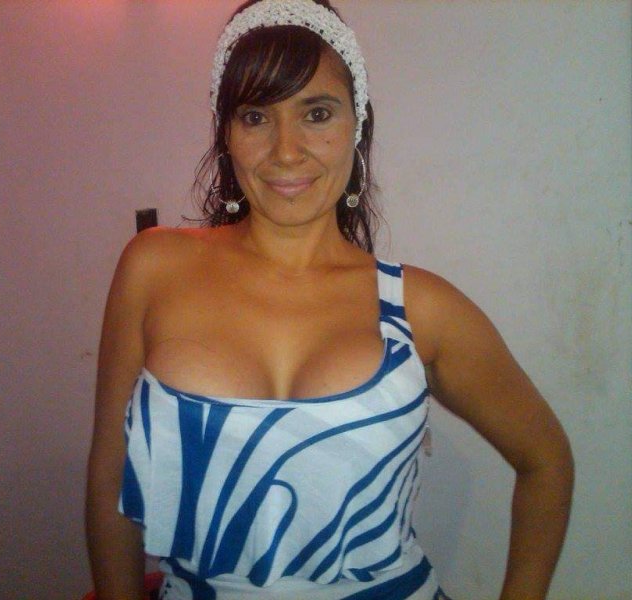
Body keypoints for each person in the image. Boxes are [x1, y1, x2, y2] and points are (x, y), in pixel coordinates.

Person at [85, 1, 574, 598]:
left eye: (316, 113)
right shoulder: (154, 267)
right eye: (256, 116)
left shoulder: (419, 307)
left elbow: (546, 460)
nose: (286, 151)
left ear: (358, 125)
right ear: (226, 133)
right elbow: (110, 479)